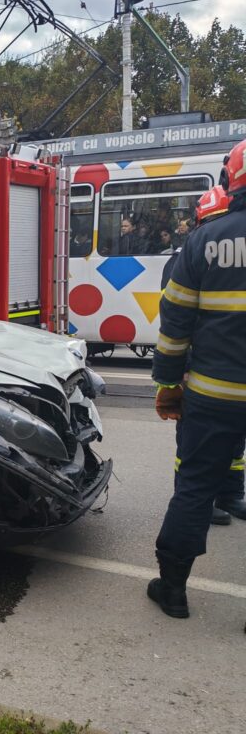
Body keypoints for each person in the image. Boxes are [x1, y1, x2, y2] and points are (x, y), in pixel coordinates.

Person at [149, 139, 246, 619]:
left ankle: (173, 591)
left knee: (195, 487)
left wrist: (168, 385)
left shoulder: (204, 242)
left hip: (212, 395)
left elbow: (175, 324)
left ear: (231, 181)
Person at [159, 185, 244, 528]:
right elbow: (176, 316)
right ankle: (200, 499)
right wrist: (172, 377)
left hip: (215, 373)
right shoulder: (185, 256)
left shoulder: (203, 246)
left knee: (233, 445)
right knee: (193, 447)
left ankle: (230, 493)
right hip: (199, 367)